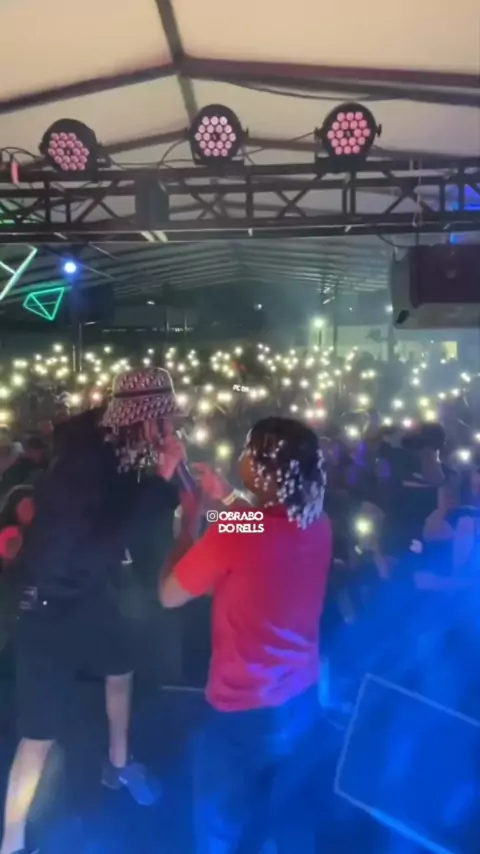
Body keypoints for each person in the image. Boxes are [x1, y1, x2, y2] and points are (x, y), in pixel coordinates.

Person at [159, 416, 332, 853]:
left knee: (221, 827)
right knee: (290, 820)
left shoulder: (234, 534)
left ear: (263, 469)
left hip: (241, 710)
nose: (240, 457)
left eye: (247, 451)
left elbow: (169, 594)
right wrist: (227, 497)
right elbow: (259, 525)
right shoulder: (317, 522)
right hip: (302, 699)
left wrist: (191, 518)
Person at [0, 408, 160, 854]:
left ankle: (118, 763)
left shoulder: (109, 468)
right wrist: (178, 491)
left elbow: (220, 524)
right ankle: (11, 842)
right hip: (53, 610)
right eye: (162, 422)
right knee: (39, 735)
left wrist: (197, 498)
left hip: (86, 598)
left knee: (119, 671)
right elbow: (170, 579)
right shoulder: (84, 479)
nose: (169, 432)